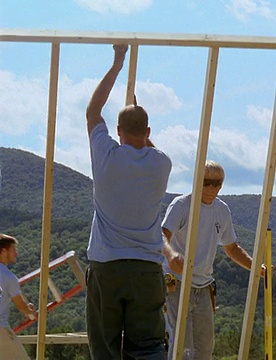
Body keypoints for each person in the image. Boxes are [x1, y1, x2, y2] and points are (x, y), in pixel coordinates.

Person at [85, 44, 172, 359]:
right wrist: (140, 121)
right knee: (147, 348)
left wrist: (118, 62)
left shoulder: (106, 156)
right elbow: (147, 146)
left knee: (105, 347)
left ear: (117, 130)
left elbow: (93, 112)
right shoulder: (162, 164)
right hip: (147, 268)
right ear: (148, 131)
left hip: (107, 265)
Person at [162, 160, 260, 360]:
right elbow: (163, 234)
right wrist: (171, 255)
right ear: (197, 181)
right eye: (206, 182)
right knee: (183, 344)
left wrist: (257, 267)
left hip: (204, 285)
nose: (211, 188)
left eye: (216, 183)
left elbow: (231, 248)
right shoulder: (182, 205)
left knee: (205, 346)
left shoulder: (222, 210)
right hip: (178, 282)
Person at [0, 234, 36, 360]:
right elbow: (20, 305)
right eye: (13, 249)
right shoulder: (8, 276)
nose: (16, 253)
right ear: (4, 251)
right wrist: (30, 310)